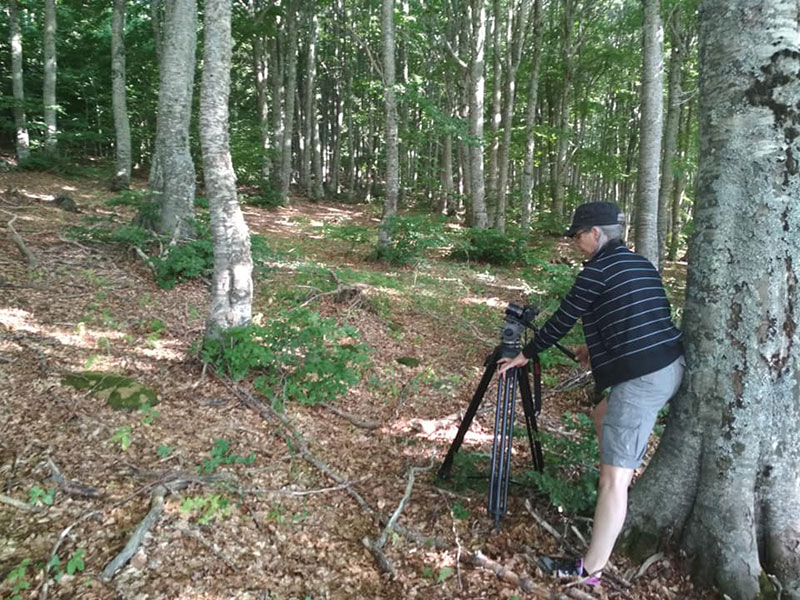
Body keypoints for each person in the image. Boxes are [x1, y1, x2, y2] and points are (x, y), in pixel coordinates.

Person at [497, 201, 684, 586]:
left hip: (643, 378)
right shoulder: (638, 263)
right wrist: (592, 350)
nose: (575, 242)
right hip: (666, 365)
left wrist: (524, 355)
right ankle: (619, 484)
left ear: (596, 233)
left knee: (612, 479)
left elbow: (563, 319)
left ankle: (590, 571)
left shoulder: (596, 271)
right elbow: (636, 315)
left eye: (578, 235)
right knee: (602, 415)